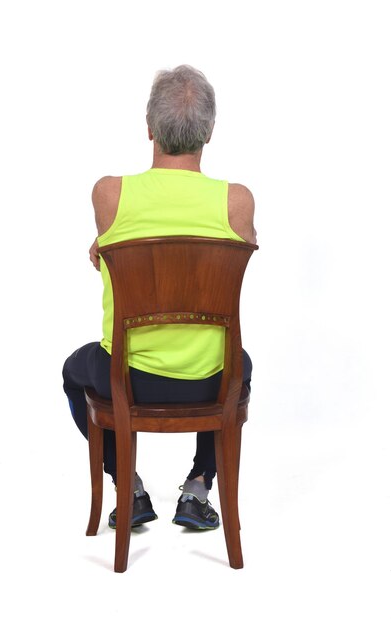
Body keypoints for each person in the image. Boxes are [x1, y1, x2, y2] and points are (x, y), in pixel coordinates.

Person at [62, 65, 257, 531]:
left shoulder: (110, 194)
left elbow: (108, 244)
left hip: (124, 380)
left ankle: (127, 485)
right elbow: (245, 246)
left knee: (74, 371)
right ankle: (197, 488)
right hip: (210, 381)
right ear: (208, 133)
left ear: (149, 127)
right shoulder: (237, 202)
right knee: (242, 366)